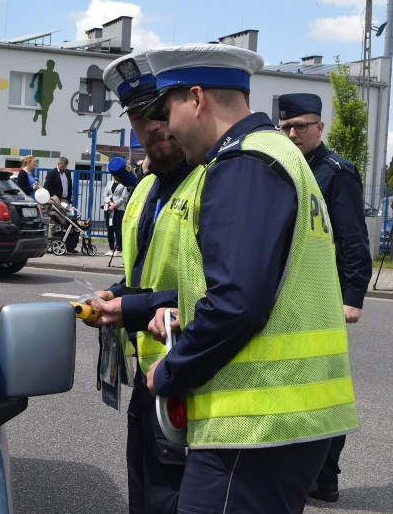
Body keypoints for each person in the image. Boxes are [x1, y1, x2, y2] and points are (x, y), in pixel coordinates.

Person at [139, 43, 359, 514]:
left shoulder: (243, 164)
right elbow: (266, 283)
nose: (167, 129)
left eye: (168, 110)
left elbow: (238, 301)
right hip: (284, 422)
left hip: (254, 426)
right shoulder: (279, 154)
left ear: (196, 99)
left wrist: (171, 371)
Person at [80, 51, 196, 513]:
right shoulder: (148, 187)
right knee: (143, 495)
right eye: (136, 115)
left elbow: (212, 291)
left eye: (157, 112)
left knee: (170, 498)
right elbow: (146, 271)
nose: (150, 126)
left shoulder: (212, 182)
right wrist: (116, 292)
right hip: (147, 373)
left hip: (189, 370)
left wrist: (127, 309)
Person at [279, 93, 372, 503]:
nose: (293, 133)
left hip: (326, 296)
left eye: (301, 126)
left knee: (323, 390)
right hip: (292, 294)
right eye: (286, 127)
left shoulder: (337, 171)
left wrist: (354, 295)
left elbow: (354, 238)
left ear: (320, 127)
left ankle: (325, 477)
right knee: (293, 383)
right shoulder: (284, 167)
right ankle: (299, 469)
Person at [43, 156, 73, 239]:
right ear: (58, 164)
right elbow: (47, 187)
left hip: (65, 200)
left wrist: (69, 199)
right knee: (53, 220)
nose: (63, 168)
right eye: (62, 166)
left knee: (67, 220)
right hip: (55, 200)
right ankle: (51, 239)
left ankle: (66, 240)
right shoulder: (51, 173)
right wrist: (48, 200)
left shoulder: (68, 173)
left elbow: (69, 186)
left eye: (65, 166)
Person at [102, 173, 130, 256]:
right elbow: (105, 195)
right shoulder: (109, 183)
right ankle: (111, 249)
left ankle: (119, 249)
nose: (114, 176)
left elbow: (124, 197)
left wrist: (115, 204)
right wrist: (109, 202)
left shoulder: (124, 184)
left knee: (117, 228)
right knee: (109, 228)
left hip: (119, 209)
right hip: (108, 208)